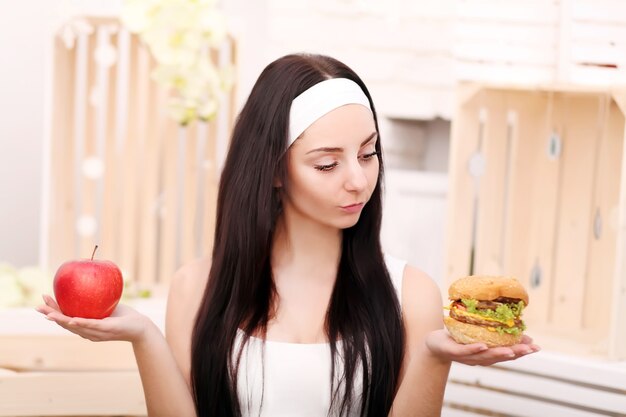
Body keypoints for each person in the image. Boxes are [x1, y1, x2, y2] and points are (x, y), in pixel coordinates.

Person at [36, 53, 539, 417]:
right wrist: (143, 337)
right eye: (328, 163)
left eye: (368, 154)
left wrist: (433, 356)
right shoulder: (199, 287)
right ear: (274, 170)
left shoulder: (411, 294)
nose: (359, 180)